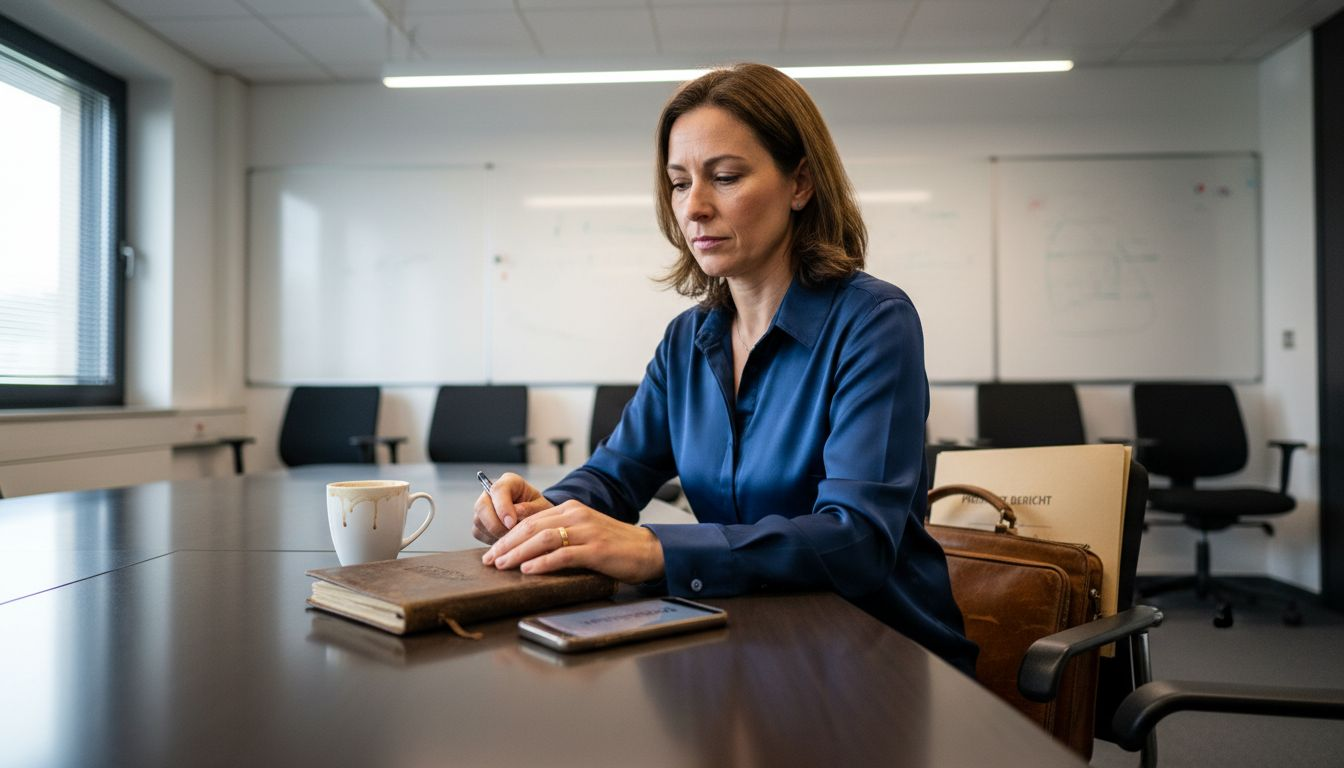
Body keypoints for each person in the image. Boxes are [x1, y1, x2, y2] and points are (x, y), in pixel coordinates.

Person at [474, 62, 977, 674]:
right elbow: (614, 476)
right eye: (678, 183)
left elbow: (857, 539)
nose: (694, 208)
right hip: (746, 644)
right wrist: (541, 513)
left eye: (726, 177)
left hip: (874, 656)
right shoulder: (687, 340)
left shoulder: (873, 322)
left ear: (800, 183)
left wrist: (656, 549)